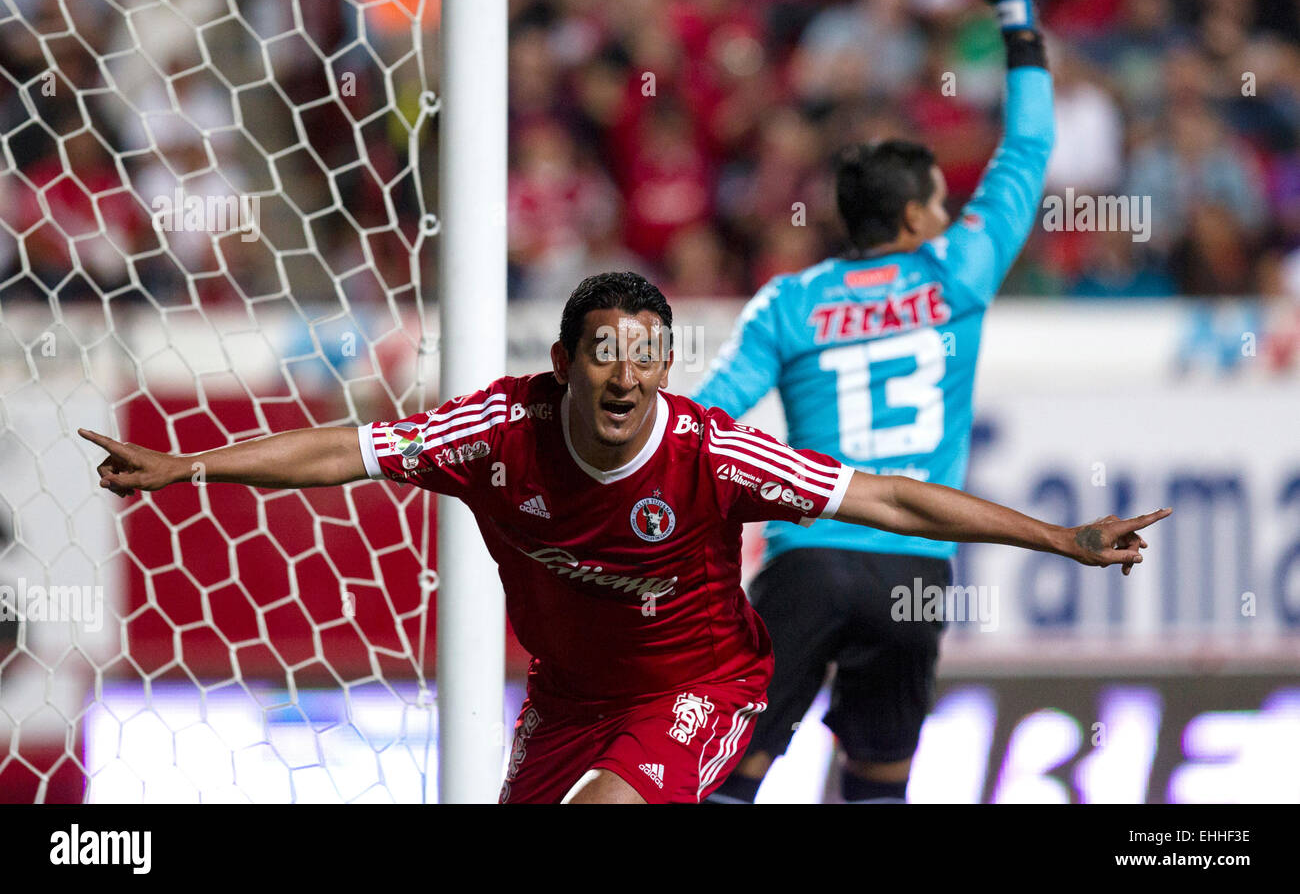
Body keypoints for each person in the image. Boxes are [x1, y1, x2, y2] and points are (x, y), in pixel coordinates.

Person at [80, 271, 1168, 805]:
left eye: (648, 355)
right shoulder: (494, 429)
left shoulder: (713, 454)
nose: (629, 374)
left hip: (701, 683)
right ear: (564, 359)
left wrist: (1059, 538)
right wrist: (189, 464)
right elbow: (345, 450)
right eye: (607, 353)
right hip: (568, 693)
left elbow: (890, 499)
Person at [693, 0, 1062, 804]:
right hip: (917, 575)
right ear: (910, 219)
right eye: (939, 202)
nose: (948, 214)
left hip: (809, 558)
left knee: (728, 781)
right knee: (877, 788)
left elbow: (708, 417)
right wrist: (1015, 12)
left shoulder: (791, 301)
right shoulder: (957, 273)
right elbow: (1031, 144)